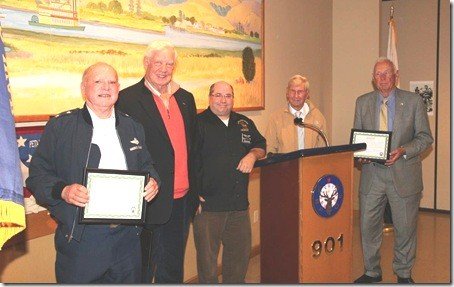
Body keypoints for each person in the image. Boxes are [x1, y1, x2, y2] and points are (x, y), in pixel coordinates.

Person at [26, 62, 160, 283]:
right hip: (82, 240)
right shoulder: (61, 126)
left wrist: (153, 181)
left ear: (118, 88)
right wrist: (63, 190)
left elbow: (147, 165)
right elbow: (37, 175)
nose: (105, 87)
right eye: (98, 81)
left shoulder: (133, 127)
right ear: (83, 88)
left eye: (111, 82)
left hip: (128, 239)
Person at [116, 40, 198, 283]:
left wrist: (196, 191)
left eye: (169, 64)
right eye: (158, 62)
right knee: (143, 268)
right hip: (147, 200)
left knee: (172, 268)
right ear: (146, 63)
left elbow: (194, 147)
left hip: (182, 199)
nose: (164, 68)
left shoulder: (186, 98)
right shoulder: (127, 99)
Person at [353, 58, 433, 284]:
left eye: (387, 74)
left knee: (405, 228)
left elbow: (425, 138)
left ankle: (404, 273)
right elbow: (359, 140)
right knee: (368, 227)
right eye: (378, 75)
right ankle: (371, 271)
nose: (383, 79)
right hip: (372, 175)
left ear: (396, 75)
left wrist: (403, 150)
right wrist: (361, 156)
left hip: (403, 173)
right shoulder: (362, 102)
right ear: (373, 78)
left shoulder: (414, 101)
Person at [193, 81, 266, 283]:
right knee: (207, 264)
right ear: (209, 97)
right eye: (218, 95)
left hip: (238, 206)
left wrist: (252, 155)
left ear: (233, 98)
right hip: (208, 207)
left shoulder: (243, 123)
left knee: (239, 260)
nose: (223, 100)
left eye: (228, 95)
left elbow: (261, 145)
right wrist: (192, 194)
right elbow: (186, 160)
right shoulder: (197, 124)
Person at [265, 75, 326, 153]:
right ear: (287, 93)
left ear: (307, 94)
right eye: (292, 91)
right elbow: (270, 148)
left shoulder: (318, 117)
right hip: (286, 164)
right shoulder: (276, 118)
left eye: (300, 91)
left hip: (311, 163)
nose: (296, 95)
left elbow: (323, 149)